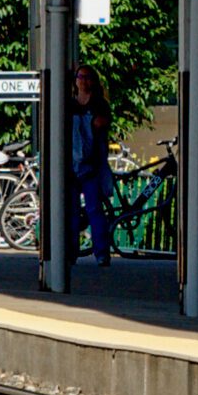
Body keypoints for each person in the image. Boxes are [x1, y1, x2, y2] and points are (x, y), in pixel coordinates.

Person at [66, 65, 114, 268]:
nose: (83, 81)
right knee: (71, 211)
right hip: (70, 165)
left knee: (95, 209)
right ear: (75, 81)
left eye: (87, 77)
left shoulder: (99, 104)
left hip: (91, 165)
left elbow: (103, 123)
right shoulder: (69, 104)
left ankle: (102, 253)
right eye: (80, 77)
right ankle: (70, 253)